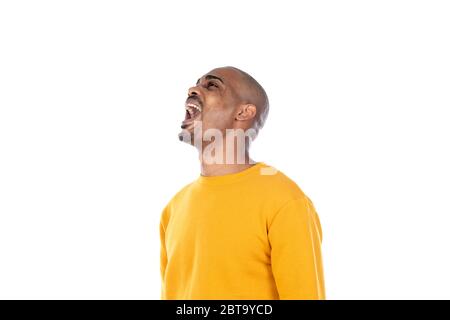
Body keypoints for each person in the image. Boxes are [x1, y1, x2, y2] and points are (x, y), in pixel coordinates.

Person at [159, 66, 325, 299]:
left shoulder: (285, 200)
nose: (192, 89)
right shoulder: (173, 209)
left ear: (243, 113)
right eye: (197, 83)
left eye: (212, 85)